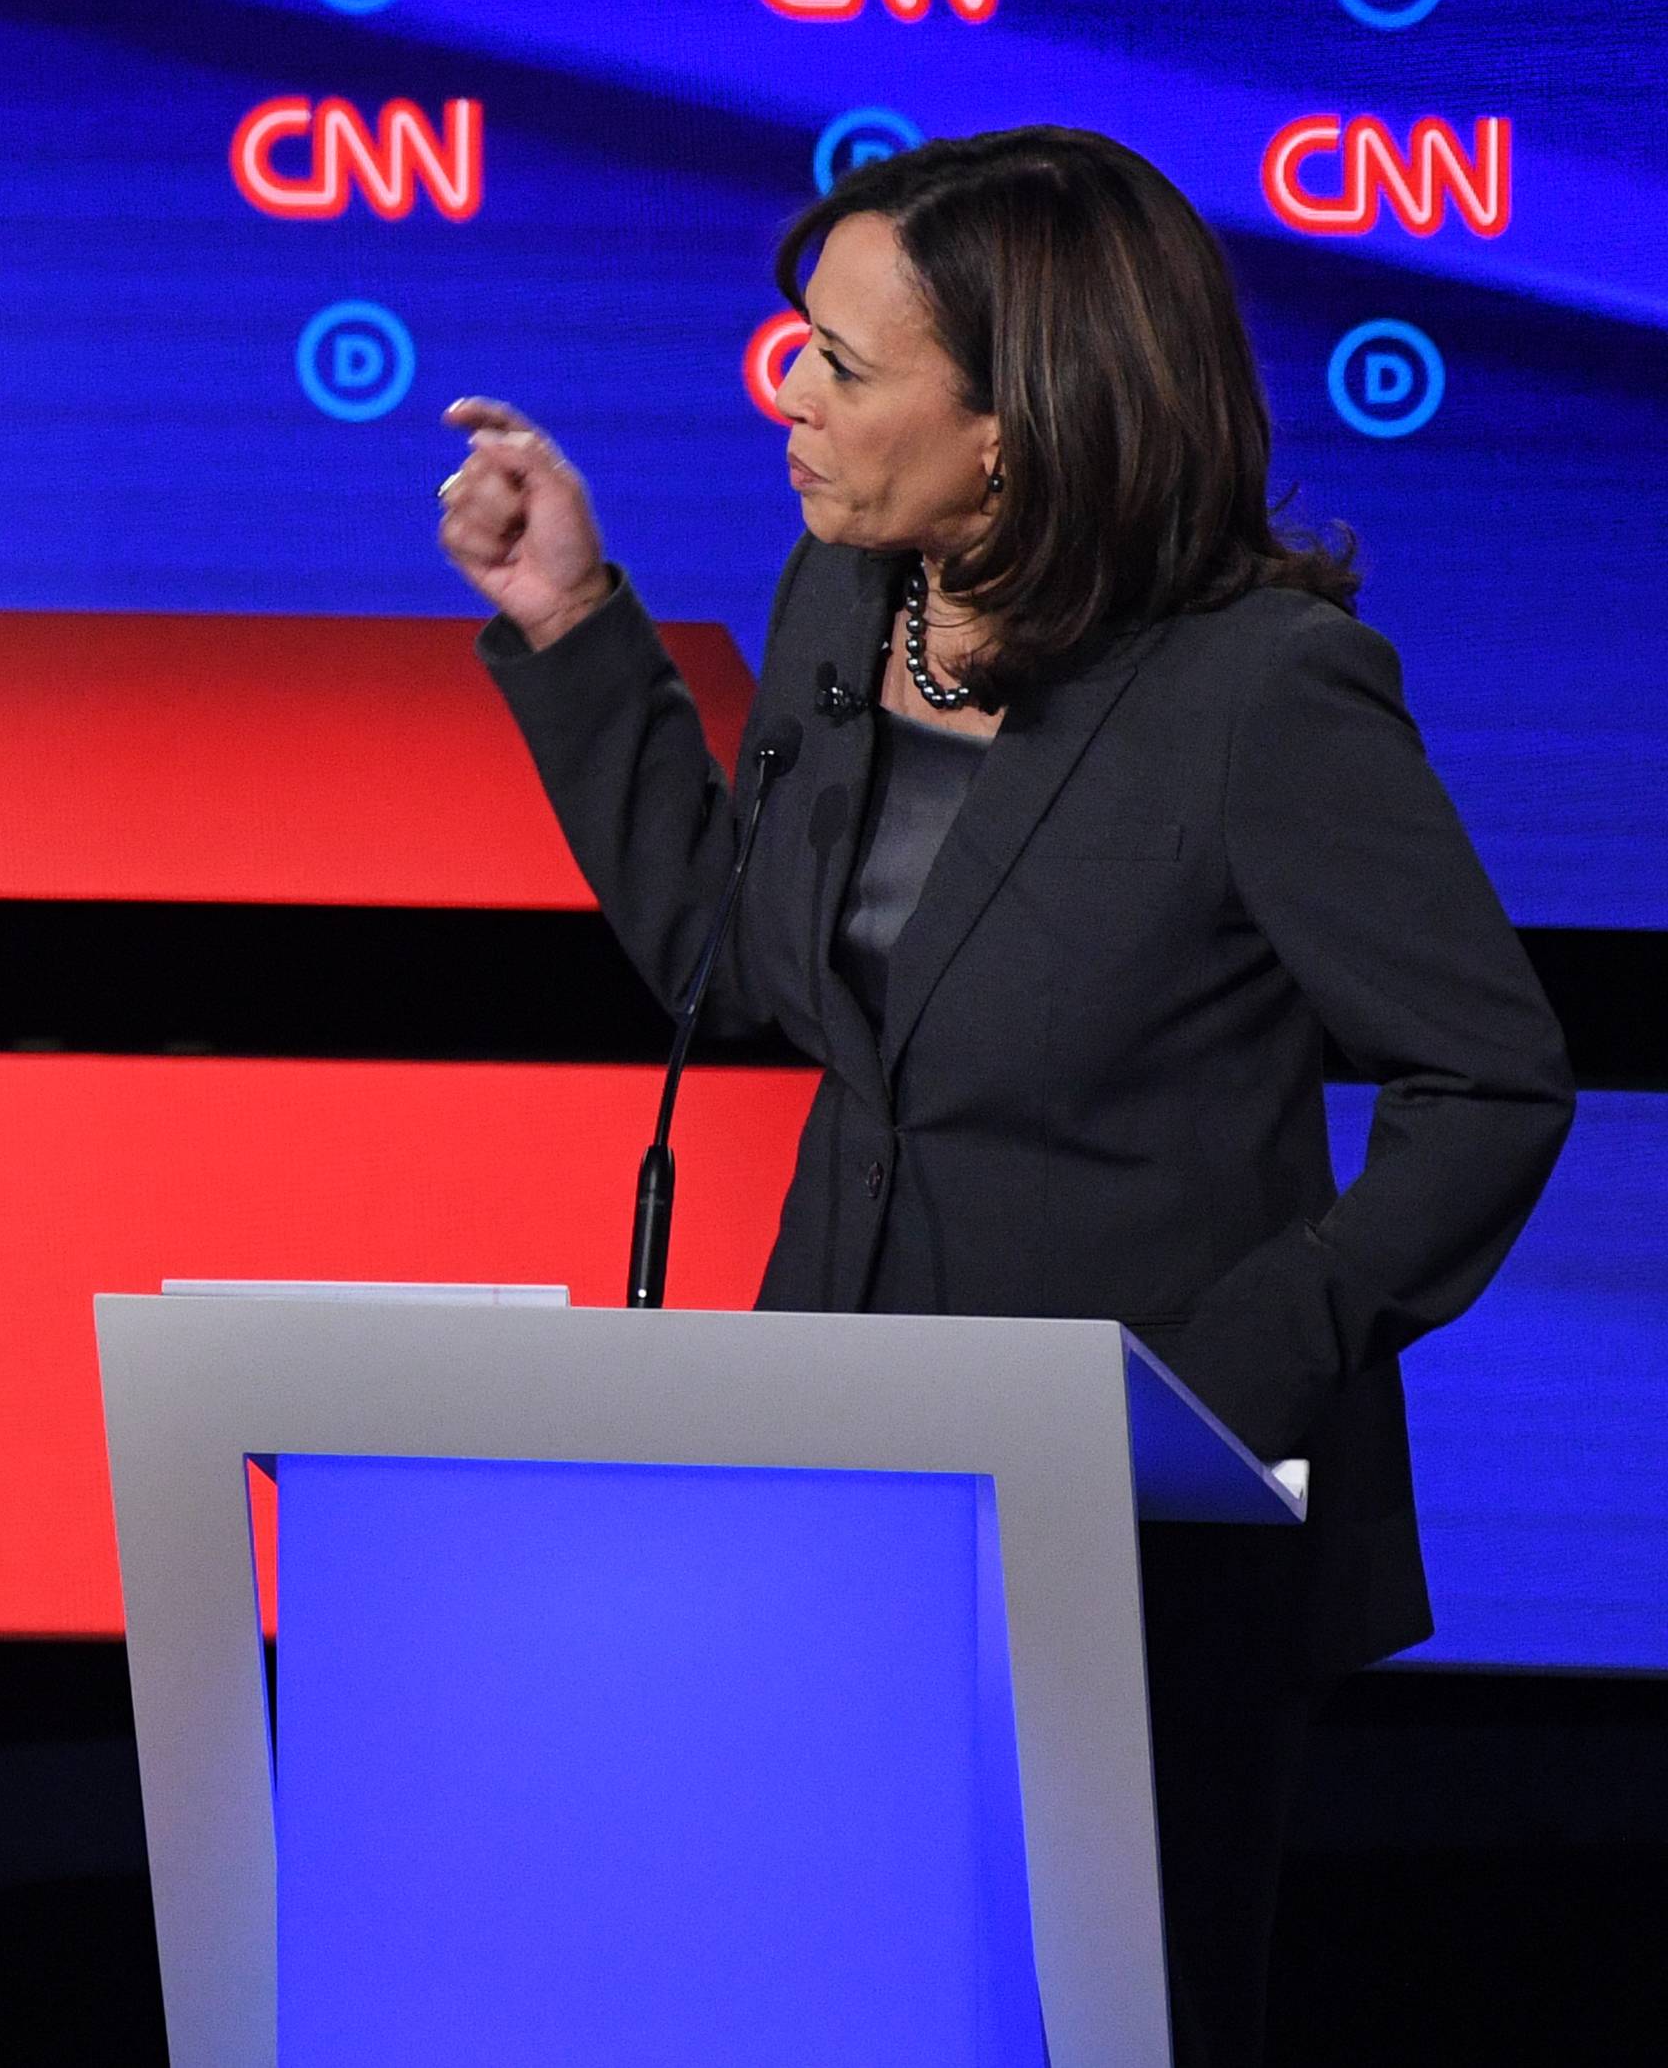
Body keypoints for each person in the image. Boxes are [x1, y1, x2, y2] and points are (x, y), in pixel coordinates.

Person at [434, 127, 1571, 2066]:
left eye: (846, 367)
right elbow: (753, 962)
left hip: (1138, 1530)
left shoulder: (1261, 695)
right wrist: (570, 624)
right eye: (796, 339)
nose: (789, 392)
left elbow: (1492, 1080)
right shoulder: (842, 604)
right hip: (842, 1470)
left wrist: (1210, 1378)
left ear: (1018, 431)